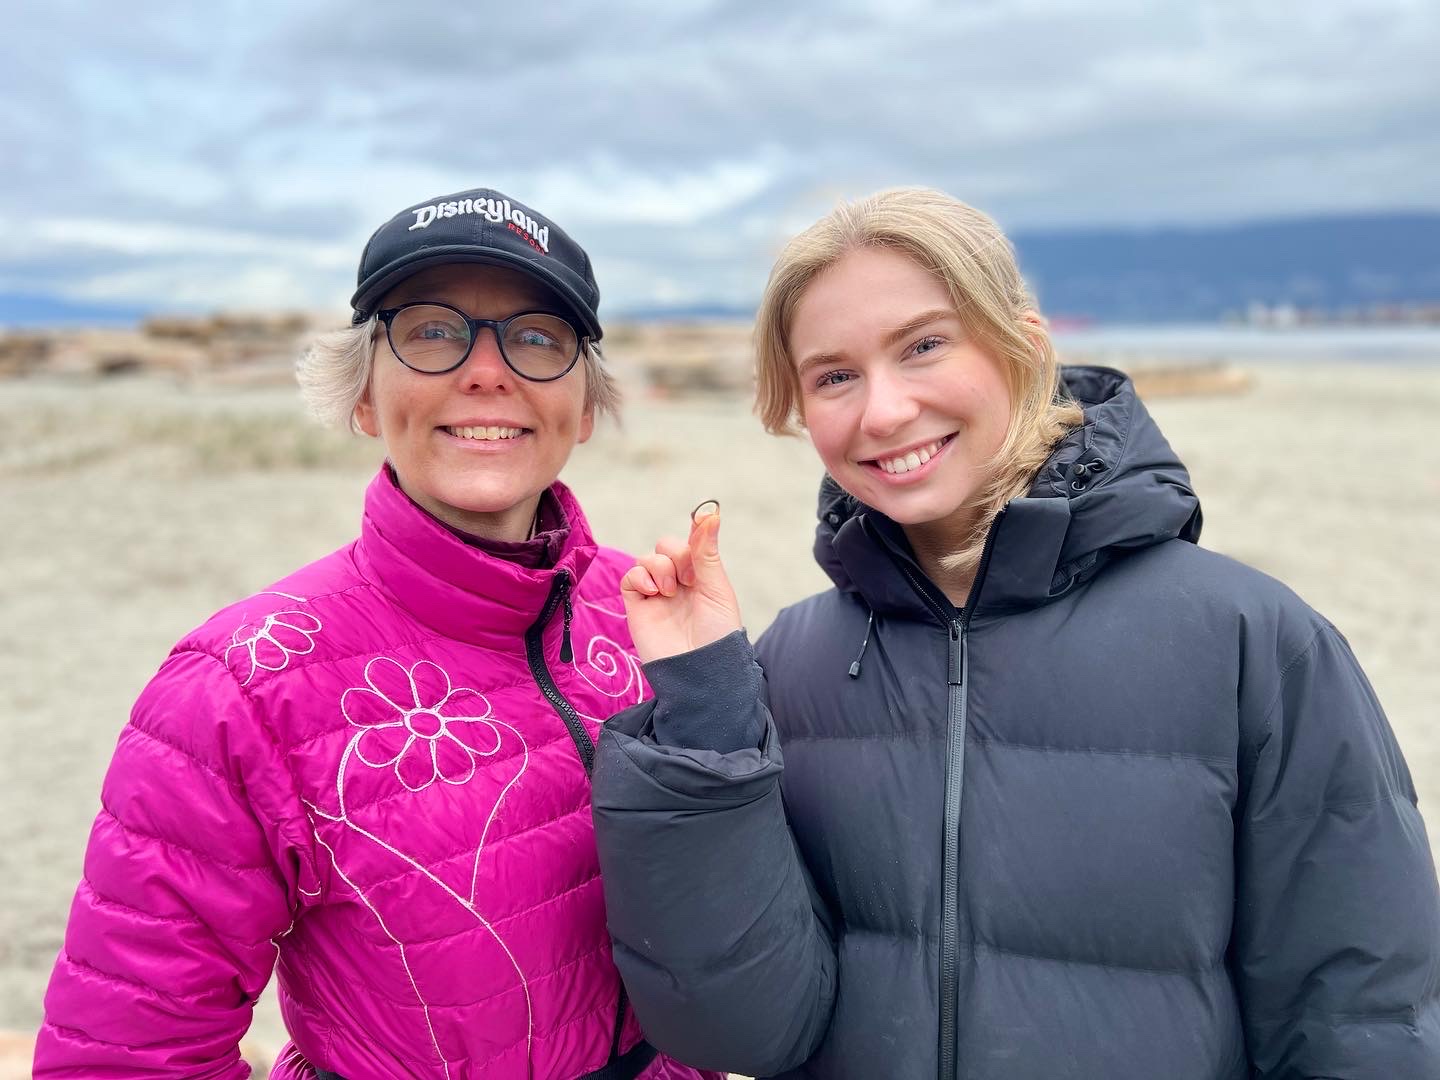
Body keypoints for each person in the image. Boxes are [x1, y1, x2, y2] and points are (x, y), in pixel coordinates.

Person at [590, 187, 1440, 1079]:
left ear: (1022, 345)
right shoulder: (792, 661)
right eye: (834, 376)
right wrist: (709, 707)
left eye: (924, 345)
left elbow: (1361, 1023)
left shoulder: (1251, 642)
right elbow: (743, 1031)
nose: (883, 412)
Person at [36, 187, 721, 1080]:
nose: (488, 373)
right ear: (363, 396)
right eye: (432, 331)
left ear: (585, 406)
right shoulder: (238, 688)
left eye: (537, 336)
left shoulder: (648, 611)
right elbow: (129, 1057)